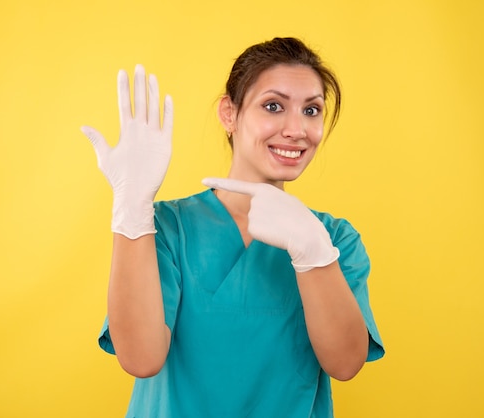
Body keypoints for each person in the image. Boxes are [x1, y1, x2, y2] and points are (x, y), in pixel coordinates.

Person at [82, 37, 384, 418]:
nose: (296, 129)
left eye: (312, 110)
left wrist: (314, 254)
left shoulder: (334, 239)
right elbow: (141, 359)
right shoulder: (166, 228)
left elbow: (345, 365)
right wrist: (131, 207)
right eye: (273, 106)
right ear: (230, 113)